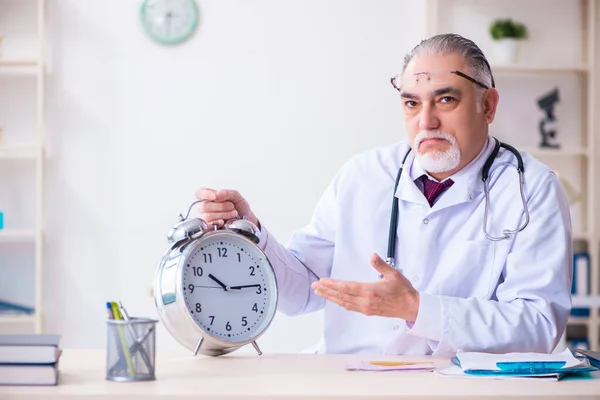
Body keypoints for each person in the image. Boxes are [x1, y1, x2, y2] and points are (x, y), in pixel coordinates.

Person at [195, 33, 572, 355]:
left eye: (445, 100)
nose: (426, 121)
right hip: (346, 379)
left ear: (487, 105)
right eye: (412, 103)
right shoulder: (362, 175)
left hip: (454, 385)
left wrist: (418, 308)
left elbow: (538, 326)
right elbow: (303, 293)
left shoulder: (531, 189)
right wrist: (252, 234)